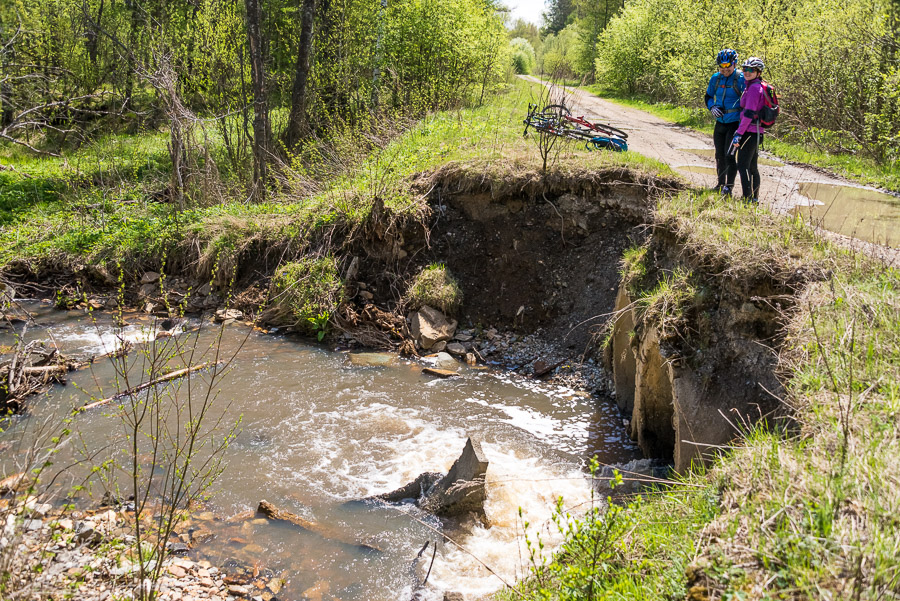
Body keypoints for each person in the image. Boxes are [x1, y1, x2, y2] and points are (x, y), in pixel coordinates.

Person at [704, 49, 745, 195]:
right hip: (720, 122)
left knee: (729, 155)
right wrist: (712, 107)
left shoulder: (741, 79)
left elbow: (748, 101)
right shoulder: (715, 78)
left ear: (734, 64)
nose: (725, 71)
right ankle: (720, 184)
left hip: (735, 123)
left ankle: (729, 187)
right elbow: (708, 96)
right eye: (722, 68)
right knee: (719, 155)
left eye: (728, 68)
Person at [731, 56, 766, 204]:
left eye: (751, 70)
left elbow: (748, 113)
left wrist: (739, 133)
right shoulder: (752, 86)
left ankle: (747, 198)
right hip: (756, 132)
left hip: (750, 131)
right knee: (752, 166)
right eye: (745, 69)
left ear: (758, 72)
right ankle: (754, 198)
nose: (747, 72)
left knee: (743, 165)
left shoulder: (754, 88)